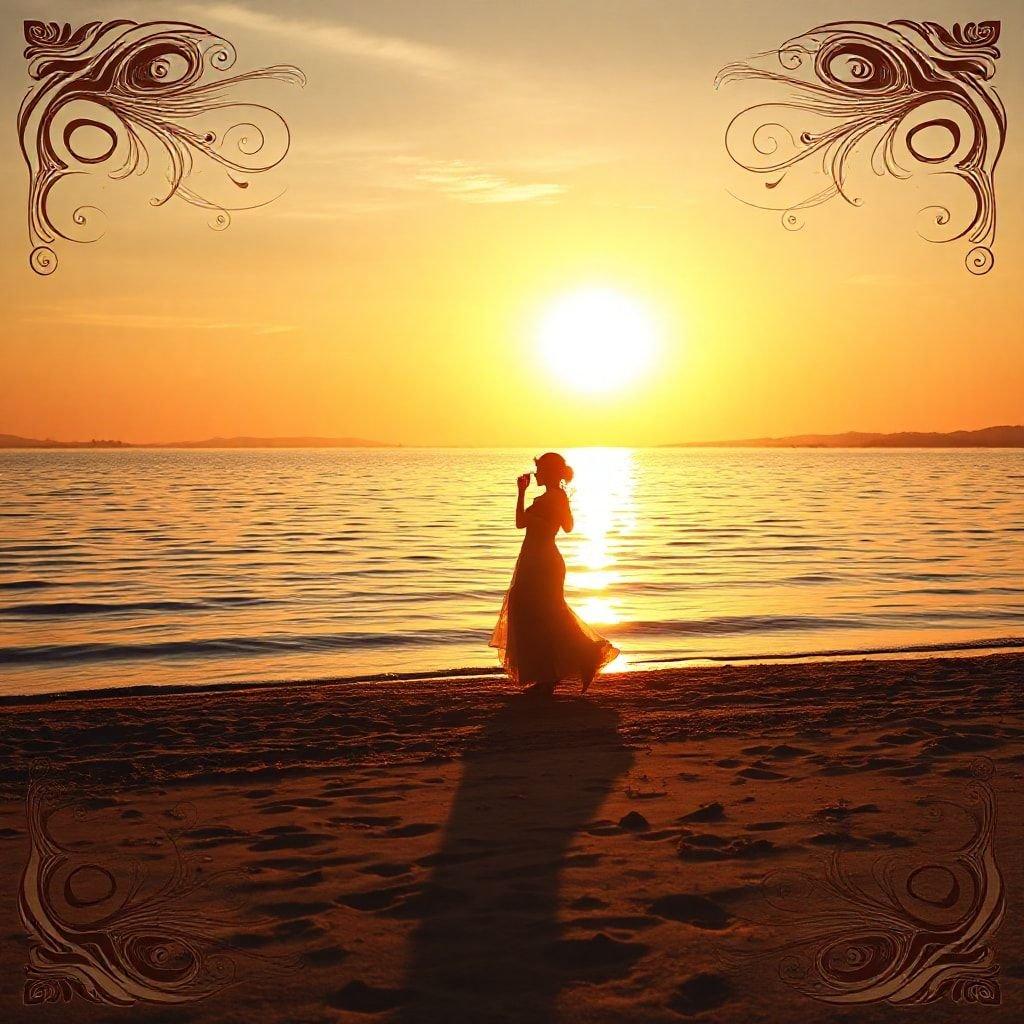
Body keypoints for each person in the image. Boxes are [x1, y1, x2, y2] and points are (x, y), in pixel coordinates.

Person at [490, 452, 619, 695]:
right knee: (543, 613)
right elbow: (567, 526)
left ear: (549, 472)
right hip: (542, 559)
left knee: (539, 614)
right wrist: (544, 506)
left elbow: (521, 523)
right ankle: (556, 672)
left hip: (540, 561)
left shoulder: (550, 499)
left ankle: (566, 666)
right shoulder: (556, 498)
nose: (536, 474)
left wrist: (523, 494)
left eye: (539, 470)